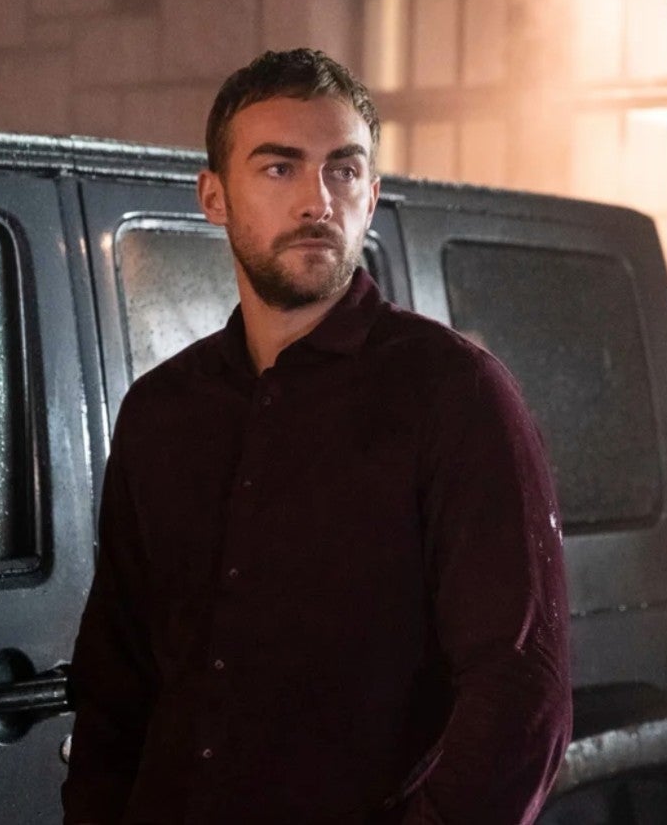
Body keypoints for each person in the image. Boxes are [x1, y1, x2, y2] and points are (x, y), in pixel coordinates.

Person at [62, 48, 571, 825]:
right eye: (280, 169)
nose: (317, 201)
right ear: (213, 196)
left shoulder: (453, 395)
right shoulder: (162, 411)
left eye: (343, 170)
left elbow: (520, 691)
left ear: (371, 195)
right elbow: (115, 684)